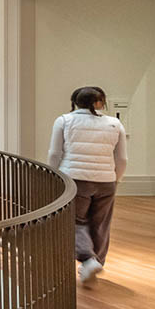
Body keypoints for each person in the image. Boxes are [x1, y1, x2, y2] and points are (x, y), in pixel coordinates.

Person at [48, 85, 128, 285]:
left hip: (75, 179)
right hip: (106, 181)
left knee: (75, 221)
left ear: (75, 102)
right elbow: (122, 158)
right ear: (100, 102)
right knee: (101, 223)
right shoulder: (115, 123)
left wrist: (52, 174)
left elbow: (54, 153)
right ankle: (95, 262)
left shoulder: (64, 120)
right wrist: (116, 178)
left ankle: (87, 259)